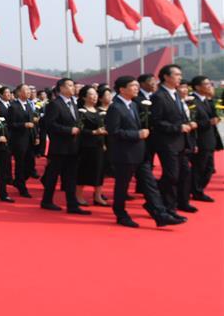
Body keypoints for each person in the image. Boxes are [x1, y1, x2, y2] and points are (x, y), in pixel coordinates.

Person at [104, 75, 179, 228]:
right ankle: (121, 214)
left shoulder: (133, 105)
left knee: (150, 184)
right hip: (124, 154)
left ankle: (160, 214)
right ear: (122, 89)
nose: (136, 89)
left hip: (140, 153)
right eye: (133, 86)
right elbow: (113, 132)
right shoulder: (115, 107)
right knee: (122, 186)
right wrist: (136, 134)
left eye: (137, 86)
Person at [150, 64, 195, 219]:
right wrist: (178, 127)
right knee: (171, 176)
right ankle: (164, 206)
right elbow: (156, 121)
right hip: (167, 142)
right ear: (166, 77)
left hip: (181, 142)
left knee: (184, 173)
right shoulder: (158, 96)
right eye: (176, 74)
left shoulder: (175, 94)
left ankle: (169, 203)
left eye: (180, 75)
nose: (179, 78)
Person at [40, 78, 90, 215]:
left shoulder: (73, 103)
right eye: (69, 85)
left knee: (71, 177)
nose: (73, 88)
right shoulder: (55, 104)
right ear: (61, 88)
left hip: (73, 147)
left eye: (73, 85)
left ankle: (72, 205)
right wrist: (68, 130)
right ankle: (47, 201)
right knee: (53, 175)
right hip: (59, 147)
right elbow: (50, 125)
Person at [75, 86, 108, 207]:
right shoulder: (81, 112)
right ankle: (79, 195)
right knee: (83, 170)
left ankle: (98, 195)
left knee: (100, 170)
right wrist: (94, 132)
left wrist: (104, 141)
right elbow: (79, 130)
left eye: (95, 94)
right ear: (84, 97)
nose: (94, 97)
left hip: (99, 145)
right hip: (86, 146)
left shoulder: (99, 112)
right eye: (91, 94)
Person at [189, 75, 217, 202]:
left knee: (209, 168)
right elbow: (191, 122)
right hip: (199, 139)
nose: (209, 86)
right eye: (206, 84)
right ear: (197, 87)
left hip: (209, 139)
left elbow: (214, 115)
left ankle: (197, 189)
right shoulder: (192, 101)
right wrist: (208, 122)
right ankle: (196, 191)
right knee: (199, 167)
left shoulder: (206, 100)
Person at [7, 84, 36, 198]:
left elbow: (32, 123)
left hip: (29, 139)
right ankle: (22, 186)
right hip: (18, 140)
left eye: (29, 90)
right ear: (19, 93)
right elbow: (10, 124)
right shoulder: (13, 106)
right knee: (20, 164)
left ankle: (19, 181)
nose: (29, 92)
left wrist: (36, 136)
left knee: (30, 165)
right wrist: (24, 125)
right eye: (26, 90)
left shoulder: (29, 105)